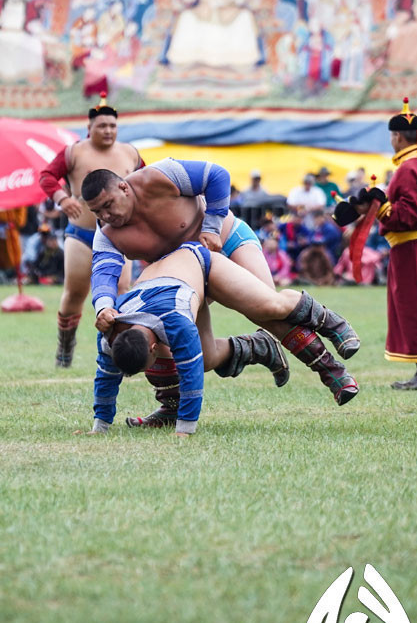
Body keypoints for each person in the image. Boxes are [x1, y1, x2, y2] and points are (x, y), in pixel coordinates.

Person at [85, 160, 359, 424]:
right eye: (98, 212)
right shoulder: (107, 234)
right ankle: (254, 348)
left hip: (226, 241)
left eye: (108, 205)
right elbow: (103, 272)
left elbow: (216, 175)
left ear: (123, 187)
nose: (106, 216)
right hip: (189, 277)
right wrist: (104, 306)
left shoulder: (159, 177)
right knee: (197, 356)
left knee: (267, 310)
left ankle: (331, 364)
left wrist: (212, 226)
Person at [90, 242, 315, 436]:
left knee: (274, 306)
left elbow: (192, 375)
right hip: (170, 280)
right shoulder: (111, 330)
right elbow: (106, 378)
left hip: (205, 263)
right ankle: (257, 347)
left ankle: (330, 325)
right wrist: (100, 426)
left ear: (152, 347)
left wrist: (185, 428)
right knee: (201, 359)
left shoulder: (175, 322)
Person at [38, 90, 143, 367]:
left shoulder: (130, 153)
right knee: (75, 292)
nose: (108, 131)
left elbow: (147, 183)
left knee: (122, 292)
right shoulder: (74, 152)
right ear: (89, 128)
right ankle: (65, 347)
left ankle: (120, 351)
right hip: (81, 234)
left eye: (112, 126)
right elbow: (47, 176)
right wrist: (63, 198)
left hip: (121, 236)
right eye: (102, 126)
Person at [350, 99, 417, 389]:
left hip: (412, 245)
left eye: (392, 136)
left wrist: (380, 206)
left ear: (398, 137)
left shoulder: (407, 168)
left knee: (414, 306)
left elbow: (408, 213)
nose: (391, 141)